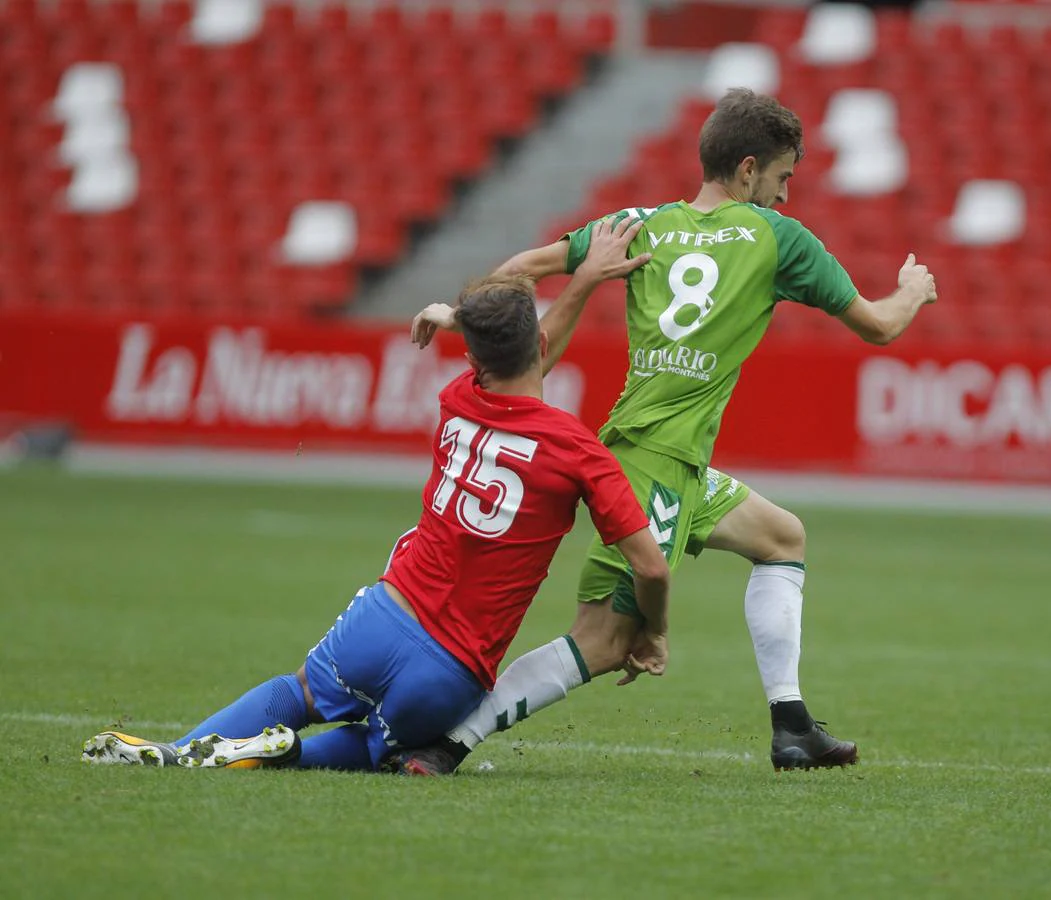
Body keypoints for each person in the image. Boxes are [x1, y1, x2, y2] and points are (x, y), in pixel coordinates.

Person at [392, 87, 939, 775]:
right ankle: (444, 748)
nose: (785, 196)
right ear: (747, 170)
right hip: (659, 461)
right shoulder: (779, 240)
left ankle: (792, 726)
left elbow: (518, 270)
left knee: (782, 538)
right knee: (604, 640)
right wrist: (914, 291)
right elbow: (880, 325)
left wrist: (460, 316)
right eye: (782, 178)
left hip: (649, 451)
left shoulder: (639, 223)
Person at [81, 219, 672, 772]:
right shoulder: (577, 450)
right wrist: (654, 628)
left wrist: (458, 316)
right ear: (536, 348)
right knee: (376, 746)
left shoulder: (457, 397)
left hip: (385, 617)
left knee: (300, 692)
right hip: (451, 668)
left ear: (472, 357)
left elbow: (520, 352)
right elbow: (652, 569)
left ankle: (185, 751)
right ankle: (276, 756)